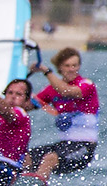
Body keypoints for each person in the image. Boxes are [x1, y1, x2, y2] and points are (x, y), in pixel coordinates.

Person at [24, 48, 98, 179]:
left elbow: (66, 91)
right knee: (26, 158)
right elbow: (27, 106)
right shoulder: (51, 90)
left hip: (84, 147)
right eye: (67, 66)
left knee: (50, 158)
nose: (71, 69)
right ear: (60, 67)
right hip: (64, 145)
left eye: (75, 65)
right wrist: (14, 94)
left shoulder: (87, 85)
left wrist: (46, 71)